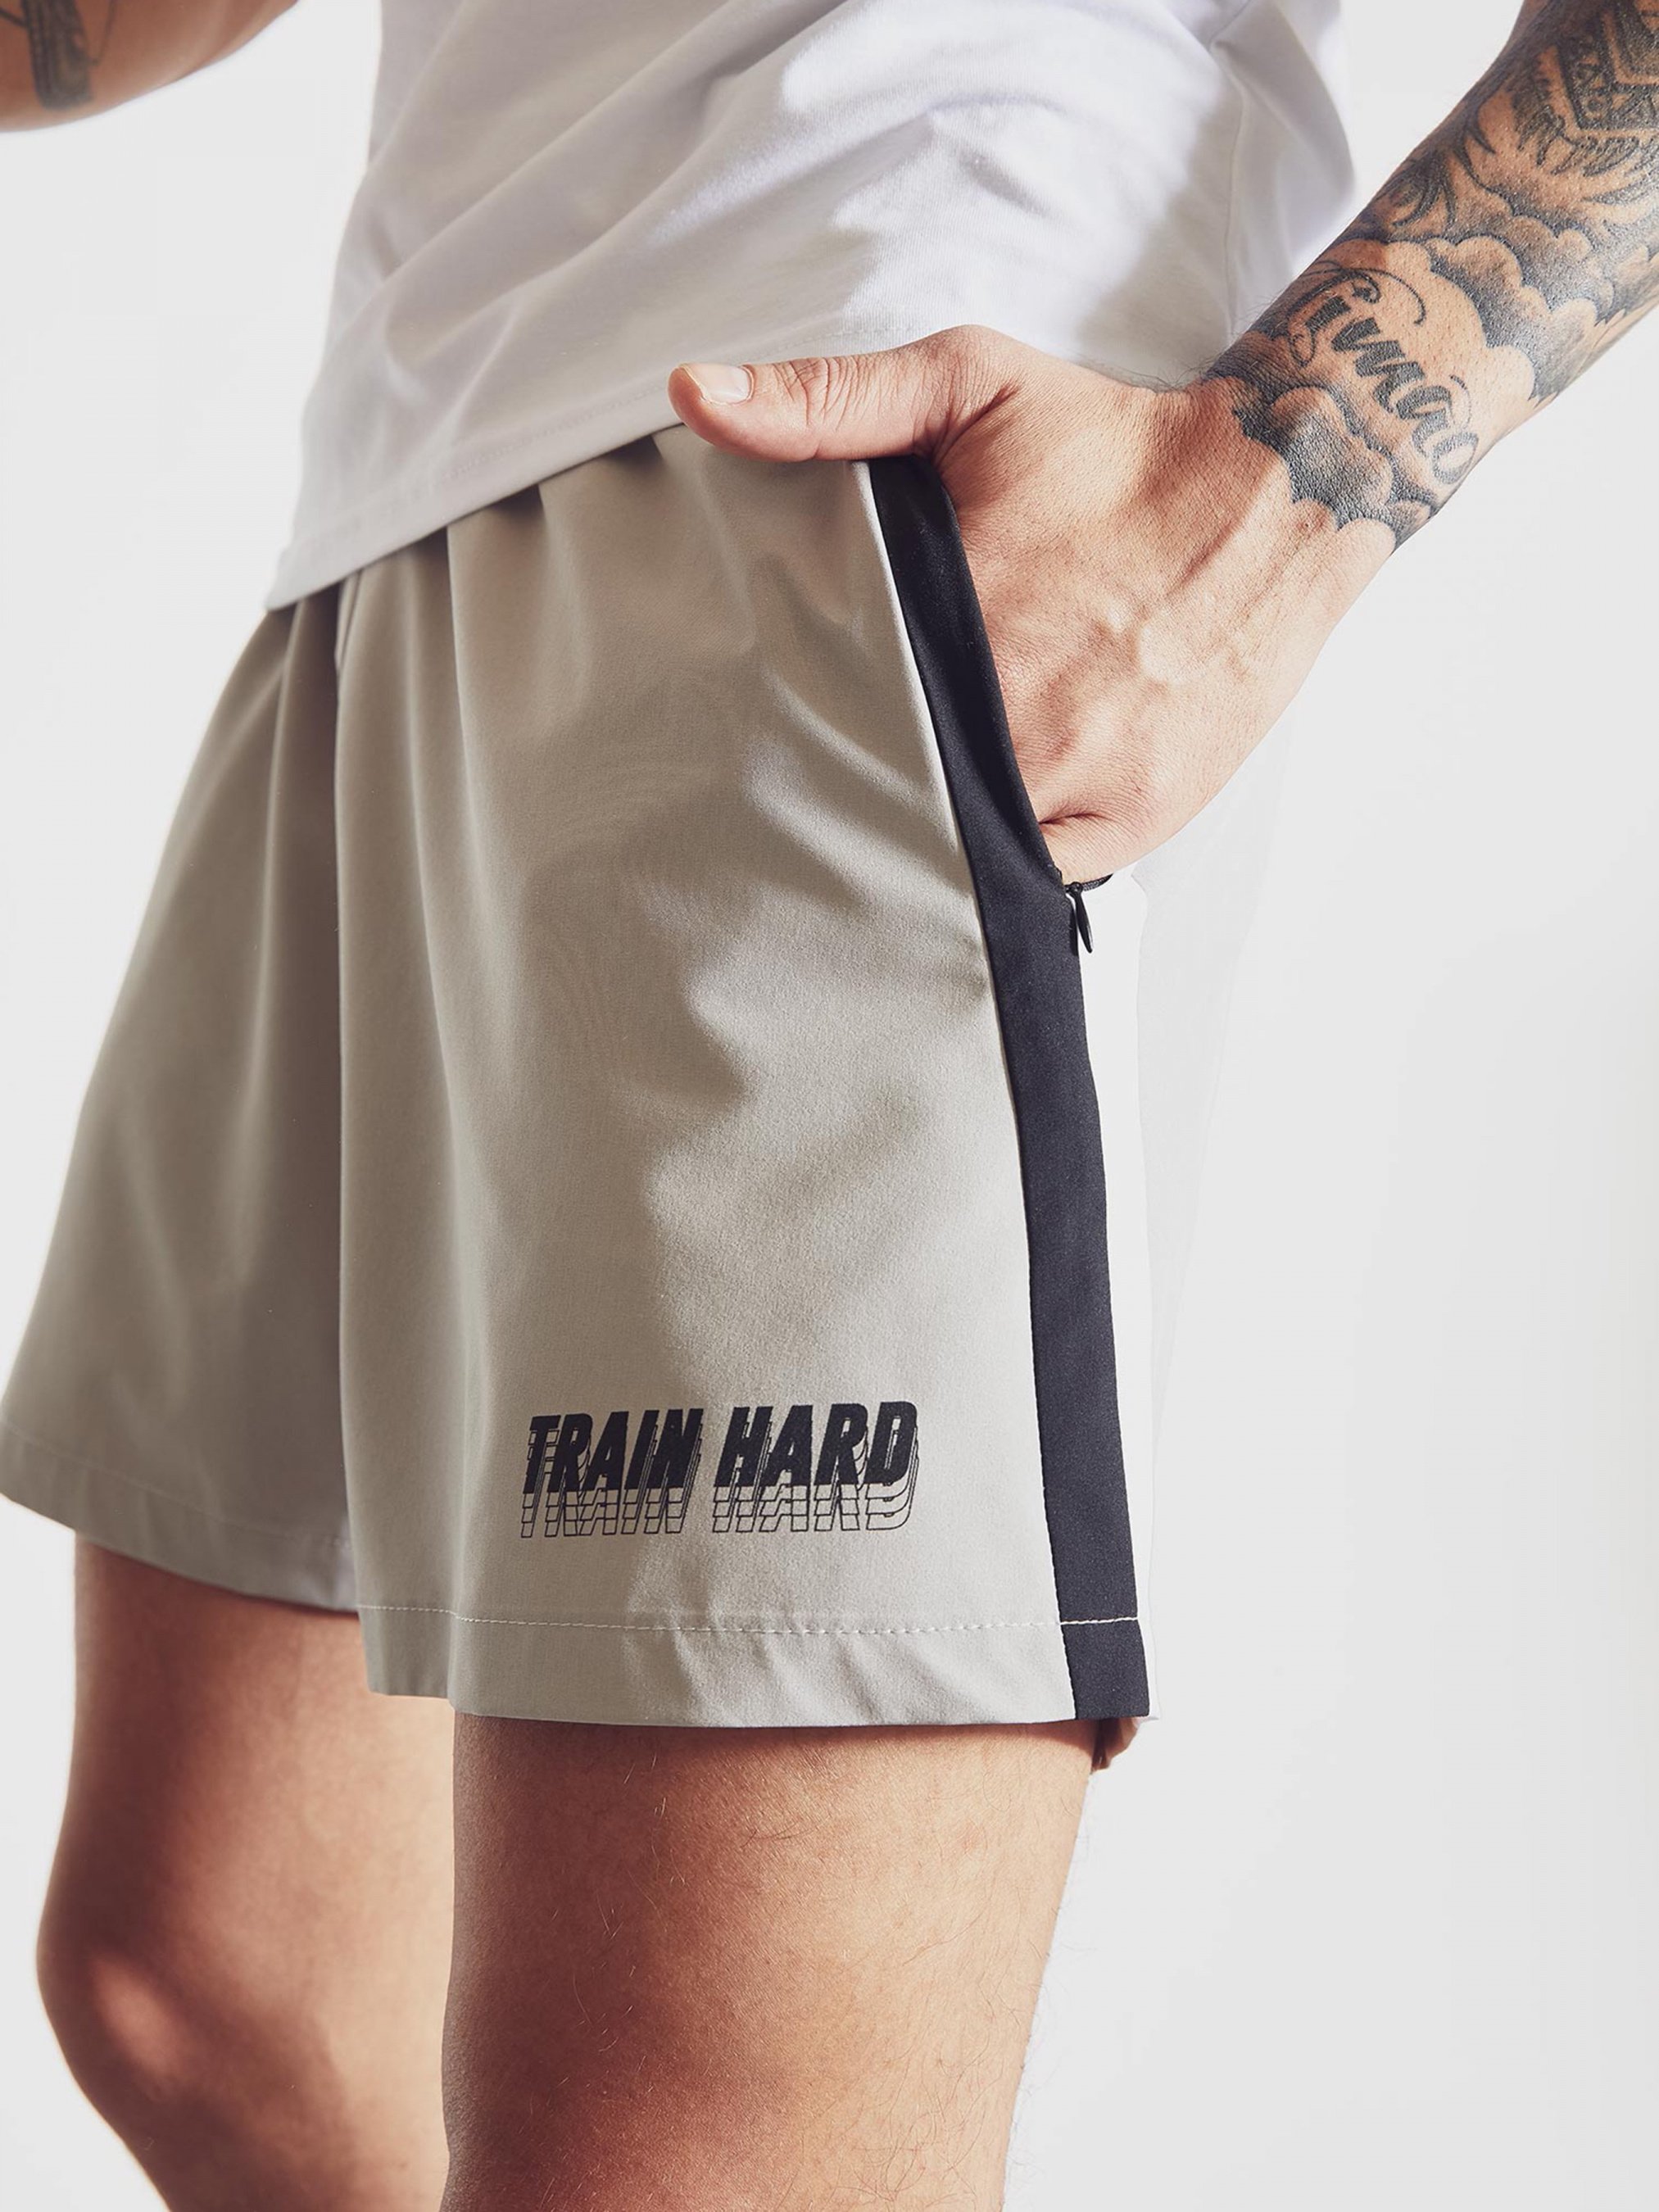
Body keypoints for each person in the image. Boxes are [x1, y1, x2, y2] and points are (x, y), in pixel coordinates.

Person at [2, 2, 1654, 2205]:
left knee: (687, 2163)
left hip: (878, 453)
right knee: (212, 1980)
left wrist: (1272, 495)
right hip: (418, 468)